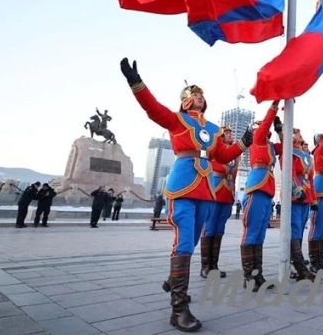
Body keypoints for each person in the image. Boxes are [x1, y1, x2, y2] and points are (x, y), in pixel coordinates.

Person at [120, 57, 252, 332]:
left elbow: (222, 155)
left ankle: (174, 279)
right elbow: (153, 108)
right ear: (185, 101)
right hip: (183, 183)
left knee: (191, 241)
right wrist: (136, 83)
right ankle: (178, 308)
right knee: (183, 242)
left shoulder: (213, 128)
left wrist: (242, 143)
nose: (200, 97)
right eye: (194, 94)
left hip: (206, 188)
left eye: (202, 95)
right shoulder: (177, 120)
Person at [239, 103, 282, 292]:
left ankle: (258, 275)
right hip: (256, 186)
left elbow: (286, 146)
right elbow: (264, 125)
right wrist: (275, 105)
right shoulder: (256, 138)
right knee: (251, 233)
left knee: (260, 235)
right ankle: (248, 277)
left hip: (267, 189)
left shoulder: (269, 145)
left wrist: (280, 131)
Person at [200, 126, 240, 279]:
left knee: (219, 229)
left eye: (230, 133)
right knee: (209, 227)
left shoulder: (234, 153)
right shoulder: (214, 147)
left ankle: (214, 265)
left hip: (227, 191)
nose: (230, 135)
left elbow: (234, 173)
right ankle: (205, 266)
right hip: (215, 188)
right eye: (226, 133)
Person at [278, 127, 317, 282]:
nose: (299, 135)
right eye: (295, 133)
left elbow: (310, 178)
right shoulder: (289, 151)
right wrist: (296, 189)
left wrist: (313, 199)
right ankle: (300, 268)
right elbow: (290, 172)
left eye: (300, 133)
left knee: (299, 231)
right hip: (295, 196)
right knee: (294, 231)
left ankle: (296, 267)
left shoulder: (305, 155)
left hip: (305, 196)